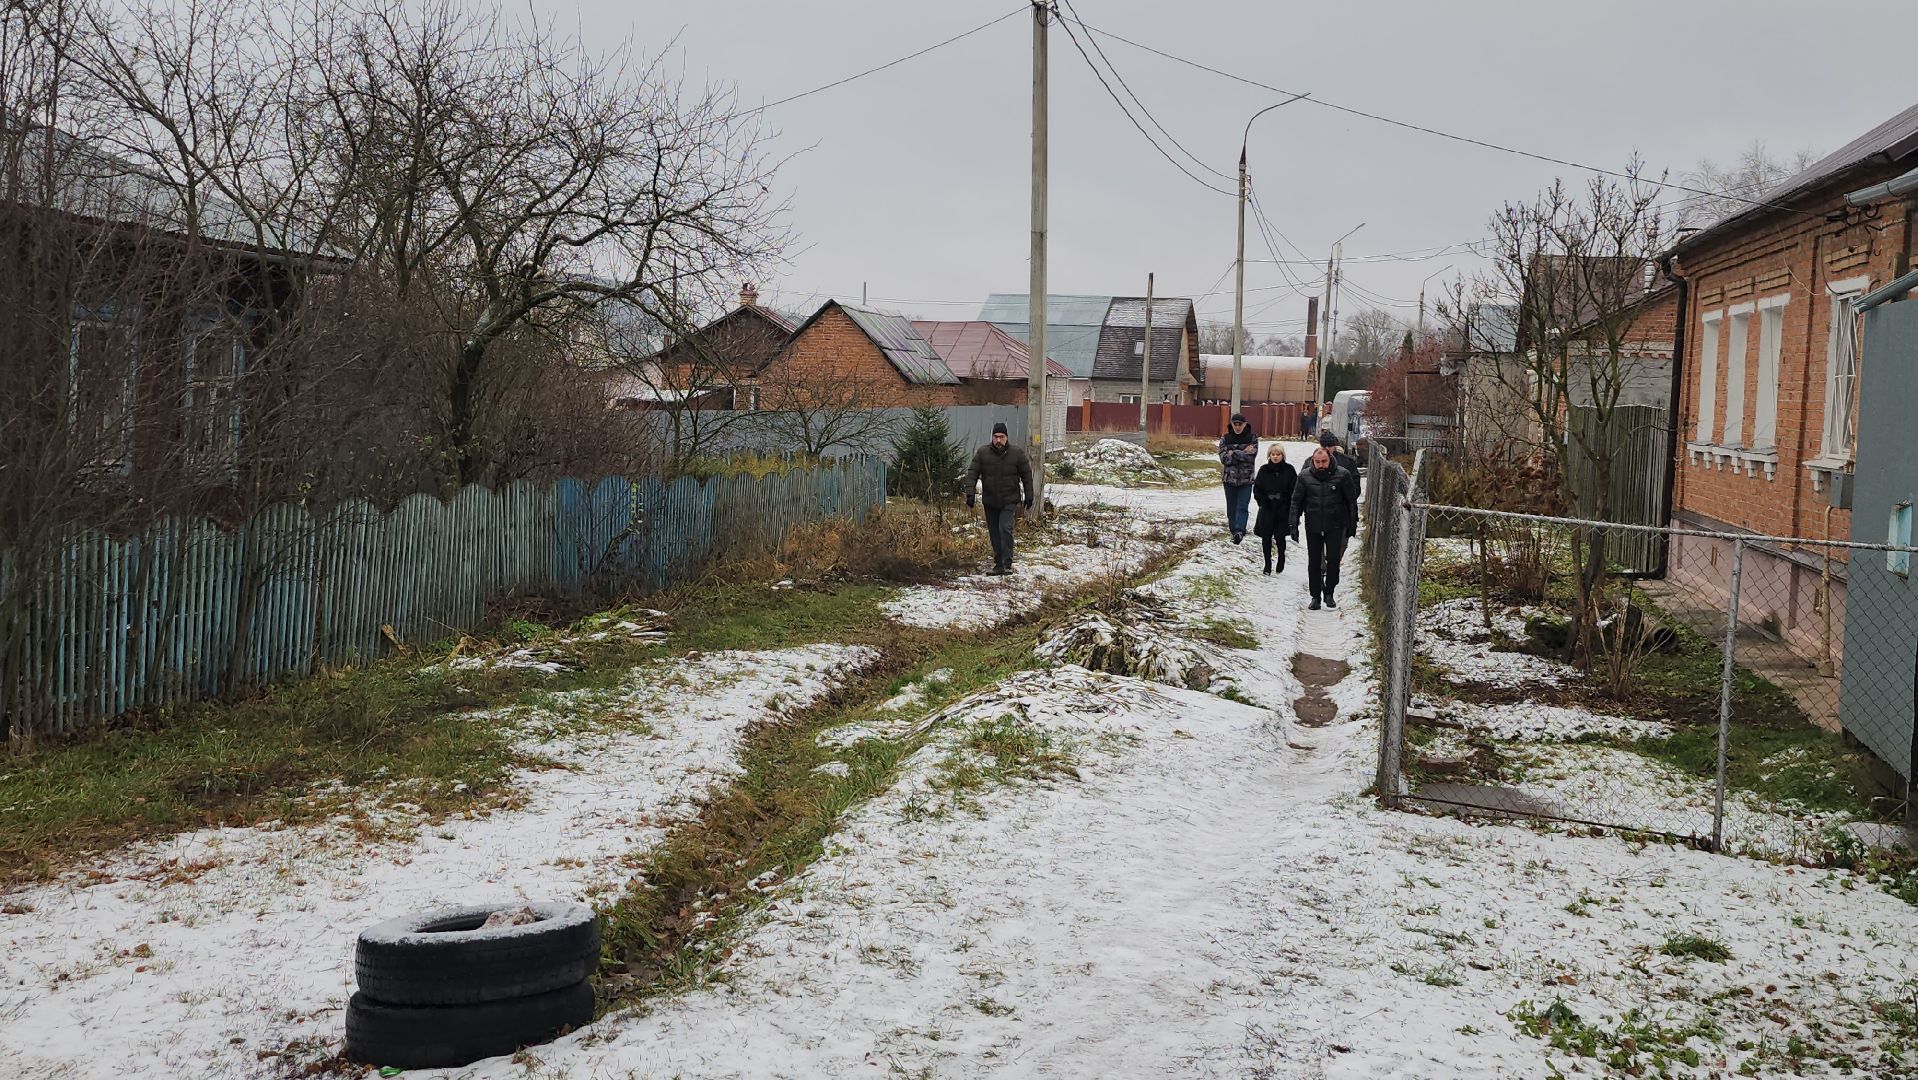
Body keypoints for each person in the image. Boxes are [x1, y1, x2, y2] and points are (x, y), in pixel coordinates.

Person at [1288, 445, 1359, 610]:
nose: (1321, 464)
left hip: (1335, 523)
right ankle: (1315, 596)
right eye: (1317, 461)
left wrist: (1352, 523)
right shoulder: (1305, 477)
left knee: (1333, 559)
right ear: (1313, 461)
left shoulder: (1342, 475)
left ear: (1330, 459)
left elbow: (1351, 501)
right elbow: (1296, 501)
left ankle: (1329, 592)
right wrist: (1293, 524)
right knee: (1314, 562)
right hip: (1313, 523)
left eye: (1324, 461)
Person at [964, 422, 1034, 576]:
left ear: (1006, 437)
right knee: (994, 532)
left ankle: (1007, 564)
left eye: (1001, 437)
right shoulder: (983, 453)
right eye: (996, 437)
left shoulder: (1017, 453)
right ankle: (998, 564)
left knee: (1005, 529)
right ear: (992, 437)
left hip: (1009, 499)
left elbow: (1027, 475)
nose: (998, 440)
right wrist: (970, 494)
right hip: (990, 500)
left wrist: (1029, 495)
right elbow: (972, 473)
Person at [1251, 444, 1297, 576]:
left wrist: (1288, 503)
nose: (1275, 457)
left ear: (1283, 455)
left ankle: (1281, 557)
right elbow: (1257, 488)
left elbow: (1294, 489)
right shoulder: (1264, 470)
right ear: (1269, 456)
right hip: (1267, 508)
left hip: (1283, 508)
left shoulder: (1289, 470)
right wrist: (1262, 501)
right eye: (1273, 454)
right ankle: (1267, 564)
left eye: (1278, 454)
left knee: (1280, 536)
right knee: (1266, 537)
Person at [1217, 413, 1259, 544]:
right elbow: (1224, 458)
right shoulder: (1225, 438)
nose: (1237, 427)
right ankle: (1233, 530)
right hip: (1229, 479)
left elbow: (1251, 456)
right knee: (1231, 507)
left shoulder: (1252, 438)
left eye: (1240, 424)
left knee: (1242, 506)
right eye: (1235, 424)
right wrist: (1242, 452)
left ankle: (1240, 530)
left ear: (1245, 424)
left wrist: (1233, 452)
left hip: (1246, 479)